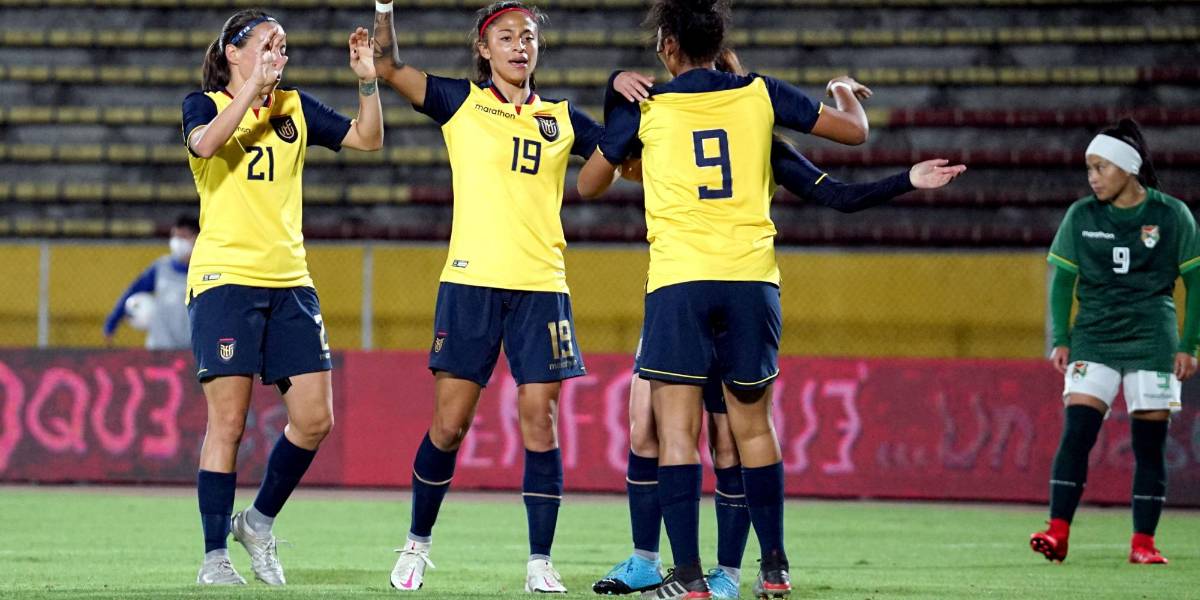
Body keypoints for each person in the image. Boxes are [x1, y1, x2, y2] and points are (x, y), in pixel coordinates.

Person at [591, 48, 965, 599]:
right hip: (736, 285)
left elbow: (594, 176)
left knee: (707, 439)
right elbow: (842, 178)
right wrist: (900, 170)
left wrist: (611, 88)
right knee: (660, 427)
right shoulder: (683, 111)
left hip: (682, 284)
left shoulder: (671, 114)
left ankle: (716, 574)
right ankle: (671, 562)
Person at [371, 0, 605, 592]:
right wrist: (382, 9)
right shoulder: (461, 103)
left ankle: (539, 562)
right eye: (506, 37)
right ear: (484, 49)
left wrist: (624, 99)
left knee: (541, 423)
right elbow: (387, 64)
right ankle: (417, 544)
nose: (519, 46)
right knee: (449, 425)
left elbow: (618, 159)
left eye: (527, 37)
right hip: (470, 283)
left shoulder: (563, 118)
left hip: (541, 287)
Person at [182, 9, 383, 585]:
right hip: (225, 279)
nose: (279, 54)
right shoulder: (204, 104)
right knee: (230, 422)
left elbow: (369, 139)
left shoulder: (295, 106)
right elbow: (206, 147)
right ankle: (215, 556)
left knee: (316, 419)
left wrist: (367, 79)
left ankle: (259, 523)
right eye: (268, 44)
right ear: (233, 54)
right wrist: (251, 89)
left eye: (284, 46)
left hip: (290, 281)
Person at [1030, 118, 1198, 566]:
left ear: (1128, 167)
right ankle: (1057, 531)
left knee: (1149, 444)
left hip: (1152, 339)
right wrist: (1062, 338)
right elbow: (1063, 281)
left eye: (1100, 167)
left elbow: (1195, 284)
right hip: (1095, 338)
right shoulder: (1081, 216)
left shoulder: (1171, 215)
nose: (1092, 177)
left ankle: (1143, 543)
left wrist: (1189, 345)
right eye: (1089, 168)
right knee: (1077, 433)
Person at [103, 215, 200, 350]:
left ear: (196, 239)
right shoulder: (161, 267)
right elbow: (133, 291)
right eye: (175, 237)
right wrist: (111, 324)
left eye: (183, 237)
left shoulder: (203, 272)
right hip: (159, 348)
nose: (177, 242)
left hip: (191, 350)